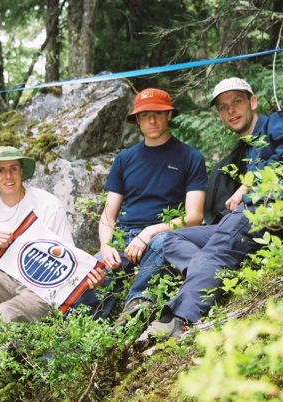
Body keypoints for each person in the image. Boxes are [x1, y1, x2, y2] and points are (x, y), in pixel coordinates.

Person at [138, 77, 283, 340]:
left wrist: (249, 184)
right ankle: (214, 275)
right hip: (240, 224)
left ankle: (180, 318)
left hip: (271, 209)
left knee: (219, 245)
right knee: (168, 239)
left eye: (237, 101)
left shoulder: (280, 121)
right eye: (223, 107)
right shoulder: (236, 155)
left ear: (252, 102)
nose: (231, 110)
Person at [0, 146, 105, 401]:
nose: (8, 176)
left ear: (22, 173)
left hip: (39, 291)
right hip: (1, 280)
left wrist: (89, 278)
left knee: (5, 313)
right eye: (1, 171)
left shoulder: (47, 204)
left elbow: (67, 260)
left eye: (13, 169)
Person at [93, 87, 208, 324]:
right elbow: (108, 215)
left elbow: (195, 216)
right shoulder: (125, 159)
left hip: (164, 236)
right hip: (124, 237)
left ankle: (136, 305)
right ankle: (79, 329)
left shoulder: (190, 157)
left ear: (169, 116)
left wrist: (150, 232)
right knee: (91, 273)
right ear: (138, 120)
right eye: (145, 115)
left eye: (158, 113)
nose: (152, 120)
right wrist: (106, 245)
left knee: (162, 243)